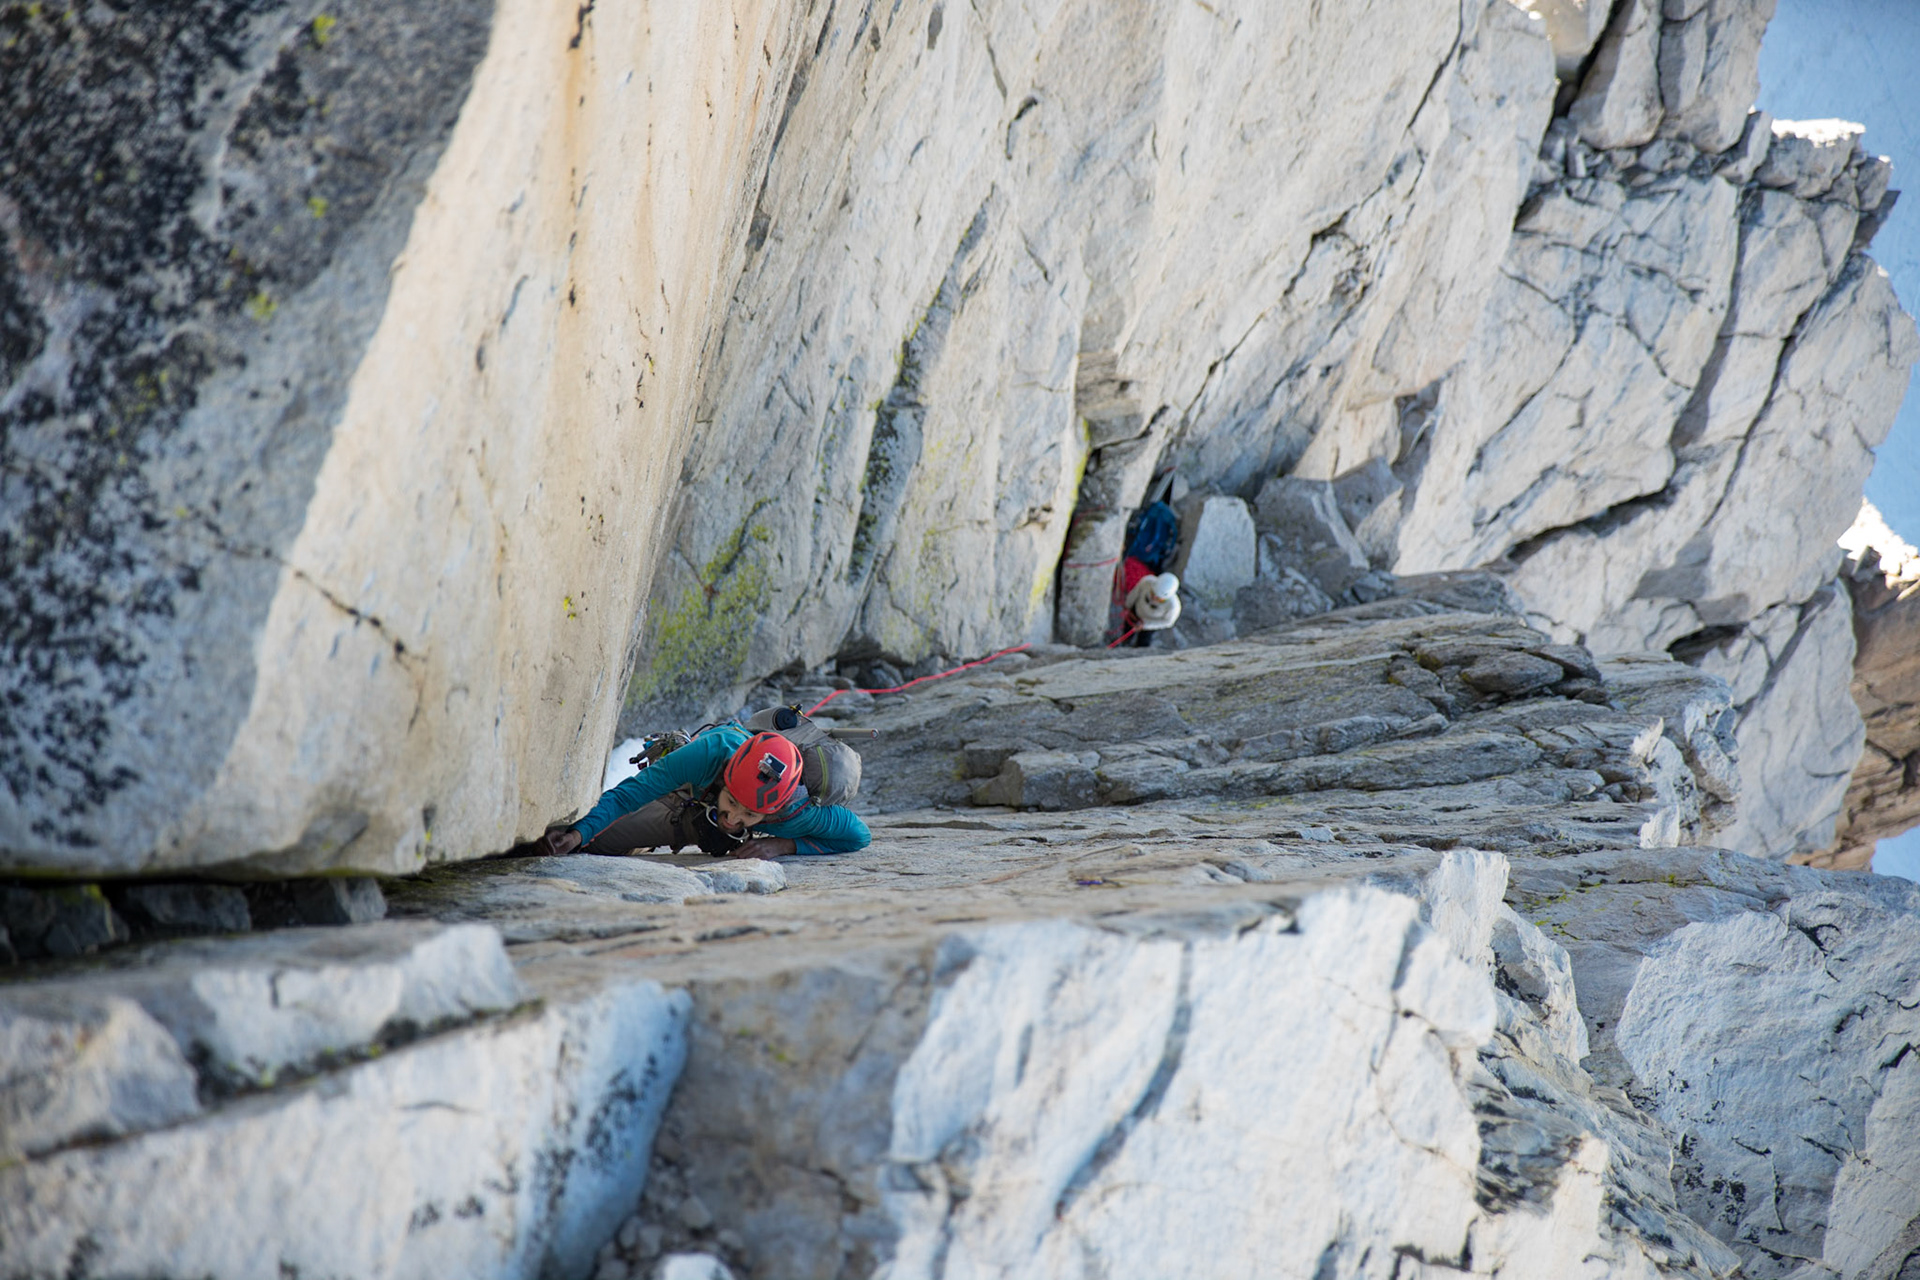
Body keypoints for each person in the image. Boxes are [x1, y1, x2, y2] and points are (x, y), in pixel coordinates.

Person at [532, 723, 871, 858]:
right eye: (733, 802)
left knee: (599, 844)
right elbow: (628, 795)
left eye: (750, 814)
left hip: (703, 818)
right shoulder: (711, 754)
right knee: (582, 841)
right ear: (727, 778)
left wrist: (783, 845)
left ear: (774, 811)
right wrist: (578, 834)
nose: (733, 818)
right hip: (688, 797)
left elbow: (858, 835)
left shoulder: (796, 814)